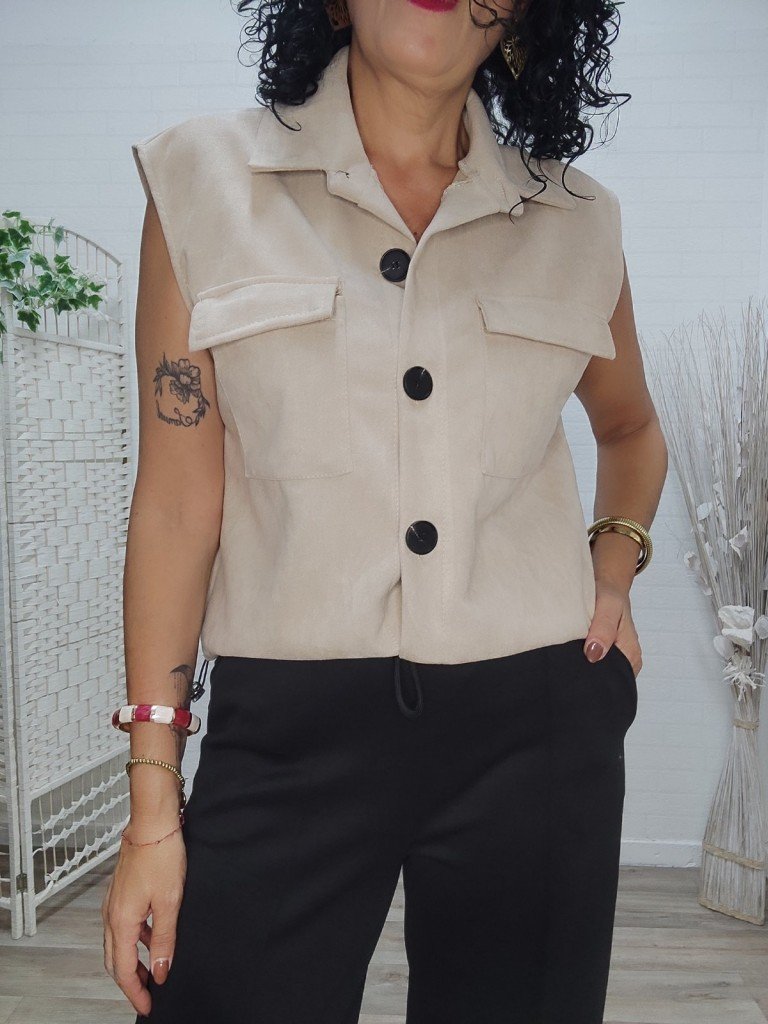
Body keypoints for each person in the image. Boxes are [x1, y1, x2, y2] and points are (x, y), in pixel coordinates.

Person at [102, 1, 668, 1021]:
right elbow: (179, 504)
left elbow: (631, 430)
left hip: (536, 728)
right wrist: (153, 808)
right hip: (288, 732)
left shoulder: (578, 218)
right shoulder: (202, 181)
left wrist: (614, 564)